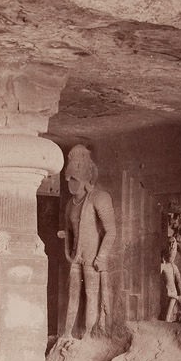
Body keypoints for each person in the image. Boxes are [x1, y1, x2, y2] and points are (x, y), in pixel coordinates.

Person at [60, 145, 116, 339]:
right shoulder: (70, 204)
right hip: (76, 254)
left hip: (92, 256)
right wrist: (66, 238)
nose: (70, 183)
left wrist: (101, 256)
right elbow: (70, 230)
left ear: (85, 179)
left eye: (74, 179)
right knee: (73, 295)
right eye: (68, 179)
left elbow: (111, 231)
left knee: (92, 296)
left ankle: (88, 336)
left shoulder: (99, 198)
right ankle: (67, 333)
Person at [160, 242, 181, 322]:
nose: (172, 258)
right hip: (165, 292)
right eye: (171, 255)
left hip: (172, 293)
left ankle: (169, 319)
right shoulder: (163, 266)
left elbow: (179, 281)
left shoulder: (174, 267)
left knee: (169, 314)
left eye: (173, 256)